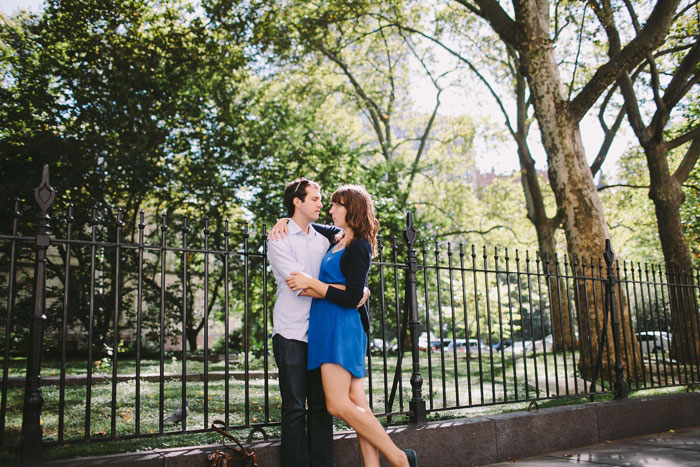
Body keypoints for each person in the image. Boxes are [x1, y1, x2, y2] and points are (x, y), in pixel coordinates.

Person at [272, 185, 418, 467]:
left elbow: (351, 295)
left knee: (335, 405)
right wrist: (284, 220)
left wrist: (317, 284)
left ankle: (400, 458)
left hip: (340, 328)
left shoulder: (360, 245)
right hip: (321, 327)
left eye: (336, 205)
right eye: (324, 203)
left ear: (350, 209)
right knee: (358, 406)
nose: (329, 209)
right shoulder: (335, 237)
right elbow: (306, 225)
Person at [266, 178, 369, 467]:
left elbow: (354, 256)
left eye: (323, 199)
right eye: (314, 199)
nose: (321, 204)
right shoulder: (279, 239)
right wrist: (347, 293)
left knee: (323, 409)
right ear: (297, 202)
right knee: (295, 408)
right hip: (291, 332)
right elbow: (301, 286)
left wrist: (360, 290)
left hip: (323, 333)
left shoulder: (328, 237)